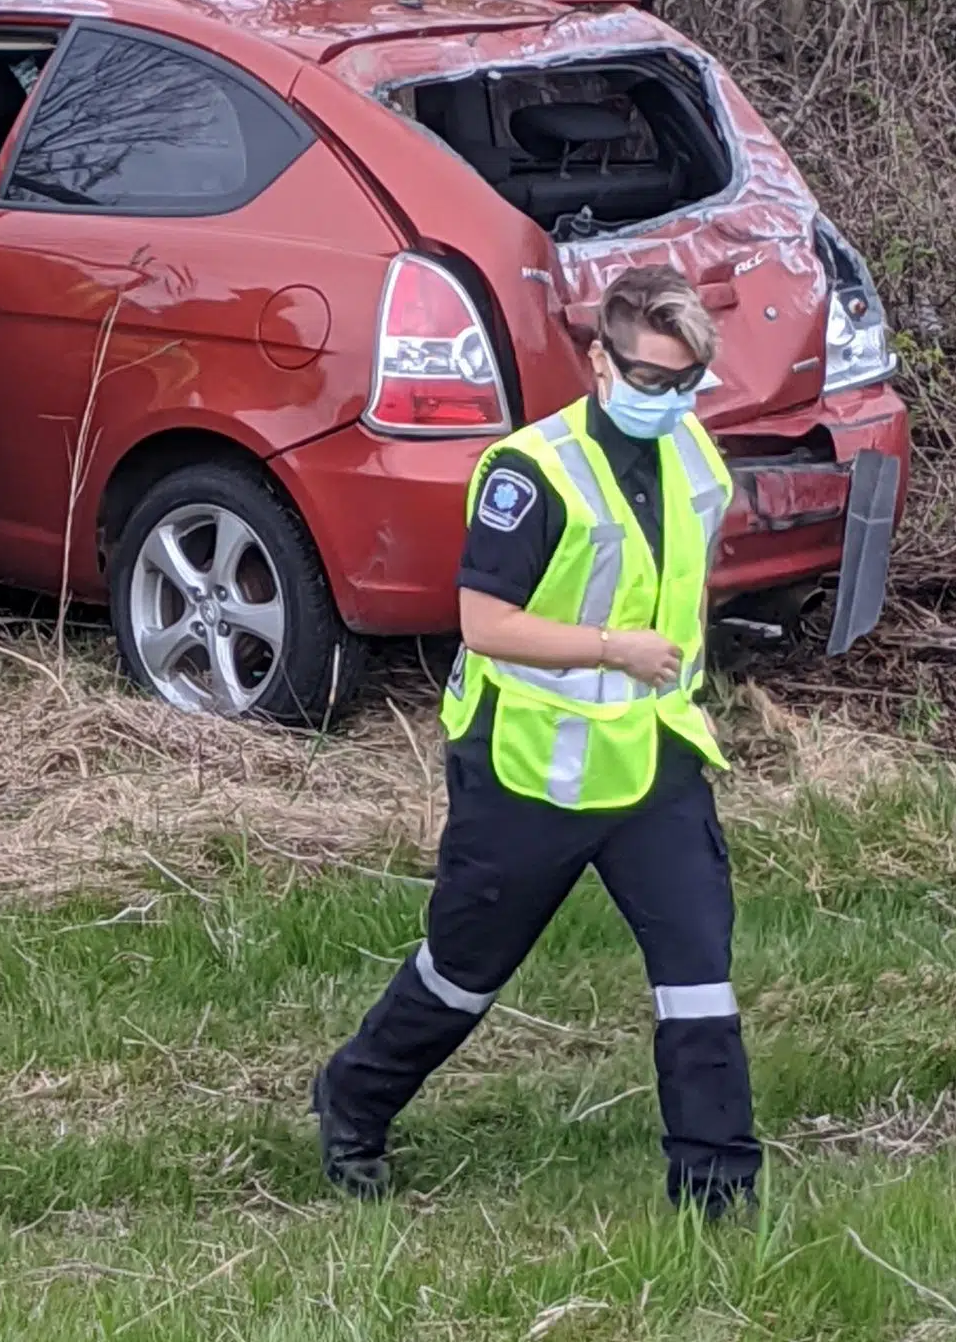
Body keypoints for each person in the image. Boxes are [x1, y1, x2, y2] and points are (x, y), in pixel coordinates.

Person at [312, 265, 760, 1219]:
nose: (669, 402)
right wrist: (612, 649)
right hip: (527, 769)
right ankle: (355, 1098)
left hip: (652, 761)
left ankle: (719, 1201)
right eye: (650, 381)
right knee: (464, 970)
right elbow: (484, 622)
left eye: (686, 385)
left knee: (698, 978)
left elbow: (683, 588)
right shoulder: (531, 472)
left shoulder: (695, 460)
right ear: (599, 361)